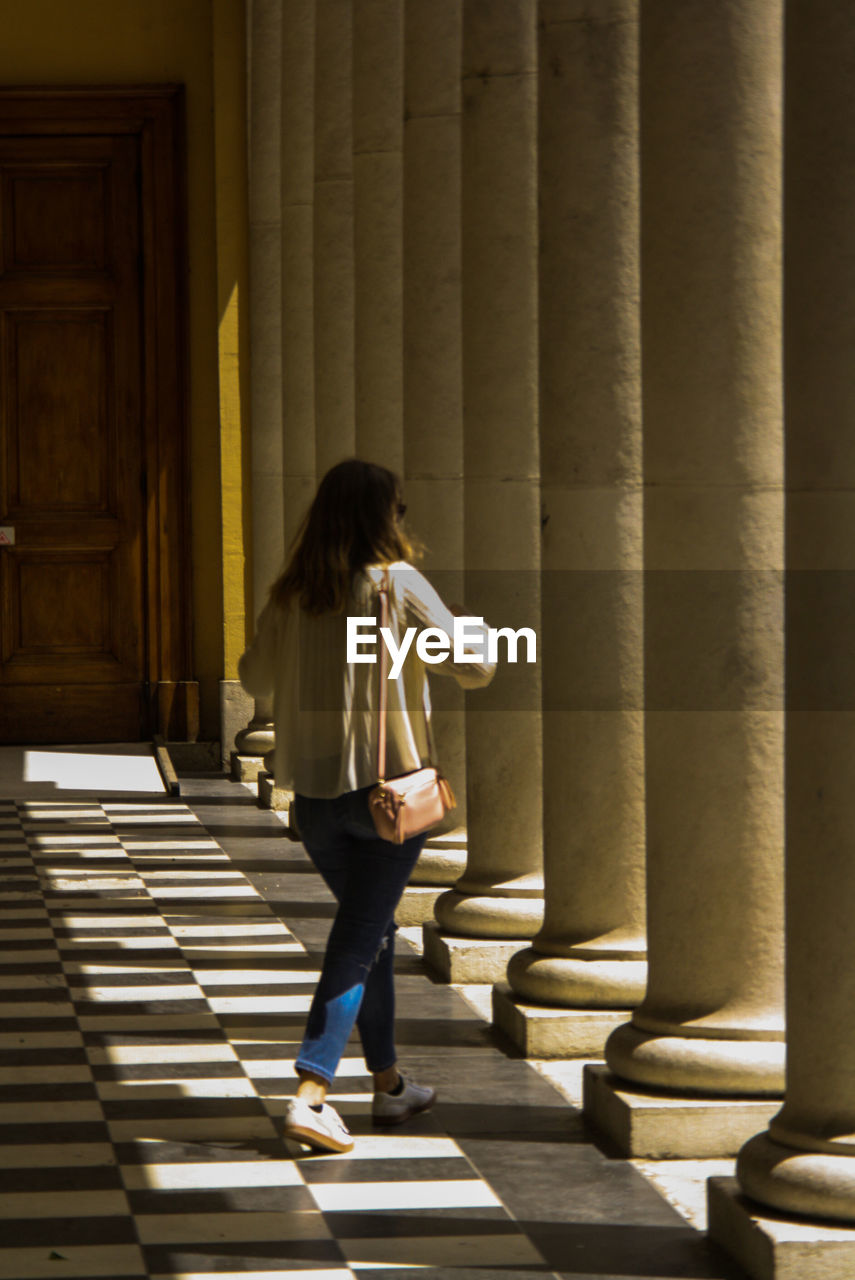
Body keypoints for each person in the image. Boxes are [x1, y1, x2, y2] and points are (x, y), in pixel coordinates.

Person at [238, 458, 495, 1153]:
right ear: (385, 518)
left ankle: (387, 1086)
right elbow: (473, 666)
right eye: (399, 512)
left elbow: (252, 674)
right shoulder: (396, 587)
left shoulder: (290, 597)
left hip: (315, 803)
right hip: (387, 800)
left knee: (370, 935)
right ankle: (311, 1093)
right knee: (357, 942)